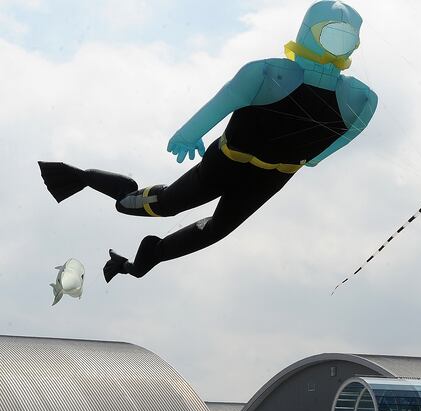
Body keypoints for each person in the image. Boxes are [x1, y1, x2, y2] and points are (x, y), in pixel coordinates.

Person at [38, 0, 377, 282]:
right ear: (310, 33)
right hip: (228, 164)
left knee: (216, 230)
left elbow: (328, 148)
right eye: (332, 34)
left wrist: (190, 133)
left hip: (270, 176)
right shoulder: (274, 76)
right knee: (167, 204)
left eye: (346, 36)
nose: (339, 43)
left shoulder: (354, 96)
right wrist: (188, 134)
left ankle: (143, 259)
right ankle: (83, 178)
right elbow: (226, 102)